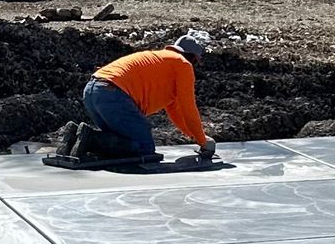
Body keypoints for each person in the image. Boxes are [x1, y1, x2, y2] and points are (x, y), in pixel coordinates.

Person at [48, 31, 216, 170]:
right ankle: (89, 138)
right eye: (195, 62)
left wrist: (197, 137)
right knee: (144, 149)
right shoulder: (182, 64)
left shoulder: (164, 63)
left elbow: (177, 113)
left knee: (121, 140)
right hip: (114, 94)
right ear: (192, 58)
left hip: (93, 90)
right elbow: (189, 107)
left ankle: (73, 136)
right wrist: (203, 141)